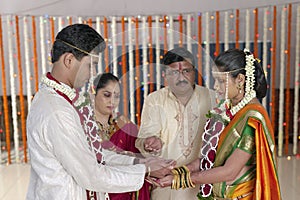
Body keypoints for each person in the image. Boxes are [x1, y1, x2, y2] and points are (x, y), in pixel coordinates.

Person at [26, 24, 174, 200]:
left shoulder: (61, 99)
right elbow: (91, 174)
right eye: (91, 65)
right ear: (69, 60)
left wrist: (141, 162)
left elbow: (93, 154)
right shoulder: (56, 110)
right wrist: (145, 170)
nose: (93, 73)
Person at [158, 48, 281, 200]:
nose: (216, 86)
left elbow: (230, 171)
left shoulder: (252, 118)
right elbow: (210, 158)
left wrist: (179, 180)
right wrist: (177, 172)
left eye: (221, 81)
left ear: (240, 80)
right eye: (215, 80)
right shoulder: (228, 108)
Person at [135, 47, 216, 200]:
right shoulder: (155, 100)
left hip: (202, 185)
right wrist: (149, 143)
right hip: (166, 187)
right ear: (165, 75)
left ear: (194, 72)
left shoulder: (212, 98)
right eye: (174, 73)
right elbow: (143, 139)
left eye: (186, 71)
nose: (181, 78)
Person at [93, 72, 151, 200]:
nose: (112, 101)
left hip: (124, 191)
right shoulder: (84, 125)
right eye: (107, 95)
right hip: (95, 190)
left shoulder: (124, 124)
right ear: (94, 93)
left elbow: (140, 155)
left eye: (117, 96)